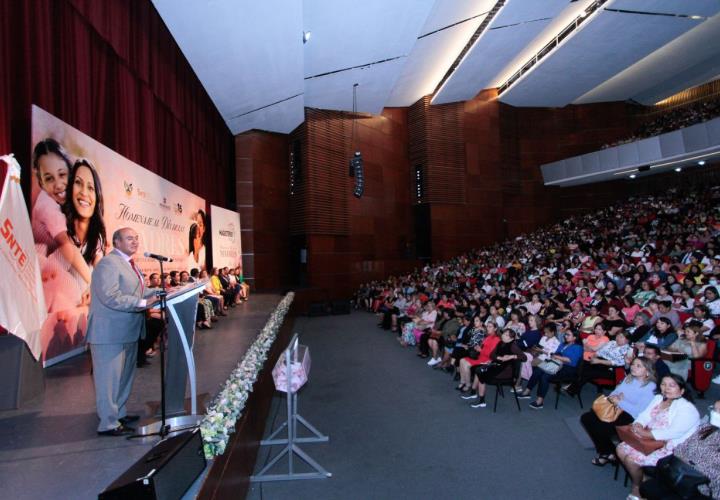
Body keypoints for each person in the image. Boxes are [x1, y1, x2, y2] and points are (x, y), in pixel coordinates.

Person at [87, 227, 159, 435]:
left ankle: (118, 413)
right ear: (116, 242)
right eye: (129, 238)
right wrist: (143, 301)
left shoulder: (128, 265)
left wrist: (160, 291)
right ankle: (108, 423)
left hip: (127, 330)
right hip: (109, 333)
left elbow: (138, 292)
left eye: (136, 238)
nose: (135, 241)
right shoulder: (108, 264)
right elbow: (110, 296)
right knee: (108, 380)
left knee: (123, 377)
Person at [616, 374, 701, 500]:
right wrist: (638, 424)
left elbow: (673, 432)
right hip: (648, 439)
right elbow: (644, 415)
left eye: (671, 385)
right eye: (663, 384)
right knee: (620, 449)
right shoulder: (658, 398)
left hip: (669, 446)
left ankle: (636, 487)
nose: (666, 388)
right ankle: (643, 480)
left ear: (682, 390)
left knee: (631, 460)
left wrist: (647, 434)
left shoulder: (687, 409)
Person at [579, 357, 657, 466]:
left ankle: (606, 453)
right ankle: (609, 452)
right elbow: (614, 393)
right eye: (633, 364)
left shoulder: (650, 387)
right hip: (616, 409)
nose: (633, 367)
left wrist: (620, 401)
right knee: (587, 418)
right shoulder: (629, 379)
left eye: (638, 366)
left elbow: (639, 412)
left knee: (600, 426)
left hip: (631, 417)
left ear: (647, 371)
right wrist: (615, 398)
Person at [640, 400, 720, 499]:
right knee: (648, 487)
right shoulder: (705, 428)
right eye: (714, 409)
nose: (714, 413)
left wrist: (691, 466)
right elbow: (681, 447)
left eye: (718, 411)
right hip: (680, 471)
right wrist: (684, 462)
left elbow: (715, 476)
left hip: (702, 485)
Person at [518, 329, 583, 409]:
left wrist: (556, 357)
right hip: (556, 363)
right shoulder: (563, 344)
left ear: (575, 337)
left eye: (568, 335)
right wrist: (554, 356)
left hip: (568, 368)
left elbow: (571, 360)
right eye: (565, 334)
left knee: (545, 376)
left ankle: (540, 400)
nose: (565, 336)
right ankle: (527, 391)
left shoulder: (578, 347)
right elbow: (555, 353)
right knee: (538, 370)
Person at [463, 329, 526, 408]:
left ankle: (481, 400)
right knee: (478, 369)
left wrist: (512, 356)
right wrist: (499, 358)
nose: (503, 335)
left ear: (511, 338)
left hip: (506, 371)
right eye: (504, 334)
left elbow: (524, 357)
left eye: (506, 335)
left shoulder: (513, 345)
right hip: (498, 365)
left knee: (480, 372)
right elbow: (492, 355)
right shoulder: (500, 342)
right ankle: (476, 395)